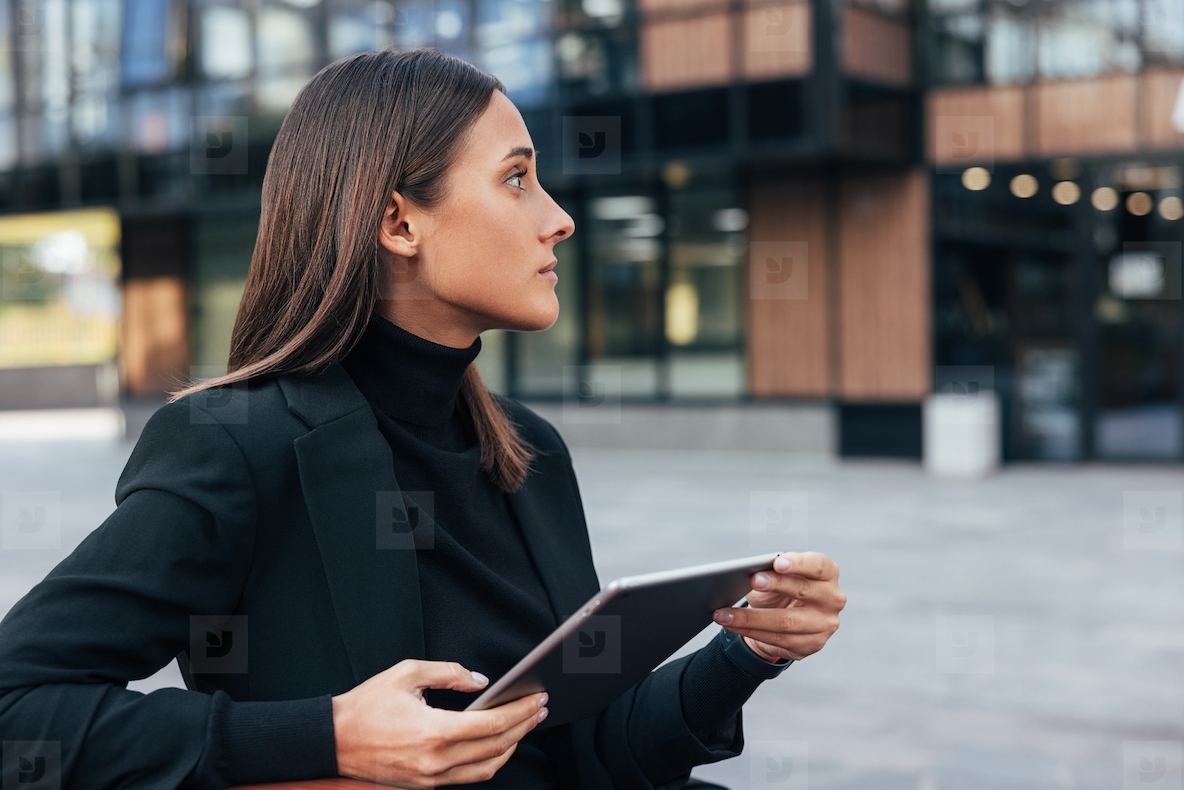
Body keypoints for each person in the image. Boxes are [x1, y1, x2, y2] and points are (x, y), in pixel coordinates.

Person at [0, 47, 846, 789]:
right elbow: (20, 713)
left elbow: (590, 753)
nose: (559, 217)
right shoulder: (237, 444)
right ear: (398, 222)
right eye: (517, 178)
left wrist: (748, 652)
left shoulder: (528, 453)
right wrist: (327, 736)